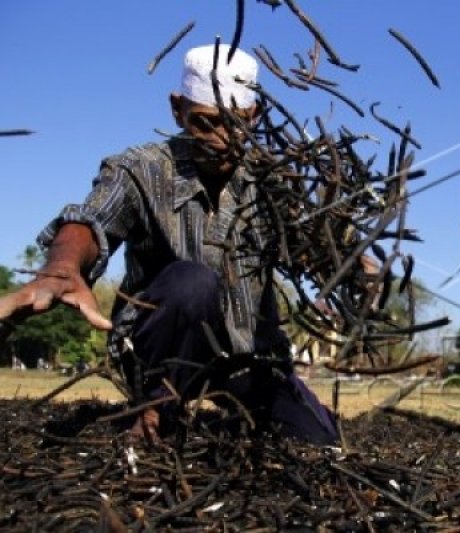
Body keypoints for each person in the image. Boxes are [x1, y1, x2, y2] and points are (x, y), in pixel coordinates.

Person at [0, 44, 338, 445]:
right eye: (206, 123)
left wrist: (351, 266)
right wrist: (63, 266)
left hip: (250, 358)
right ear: (177, 109)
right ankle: (156, 410)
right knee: (192, 284)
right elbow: (90, 220)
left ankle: (219, 432)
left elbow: (313, 251)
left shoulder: (274, 184)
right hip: (163, 349)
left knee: (318, 441)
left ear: (255, 116)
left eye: (236, 124)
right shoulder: (141, 169)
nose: (222, 140)